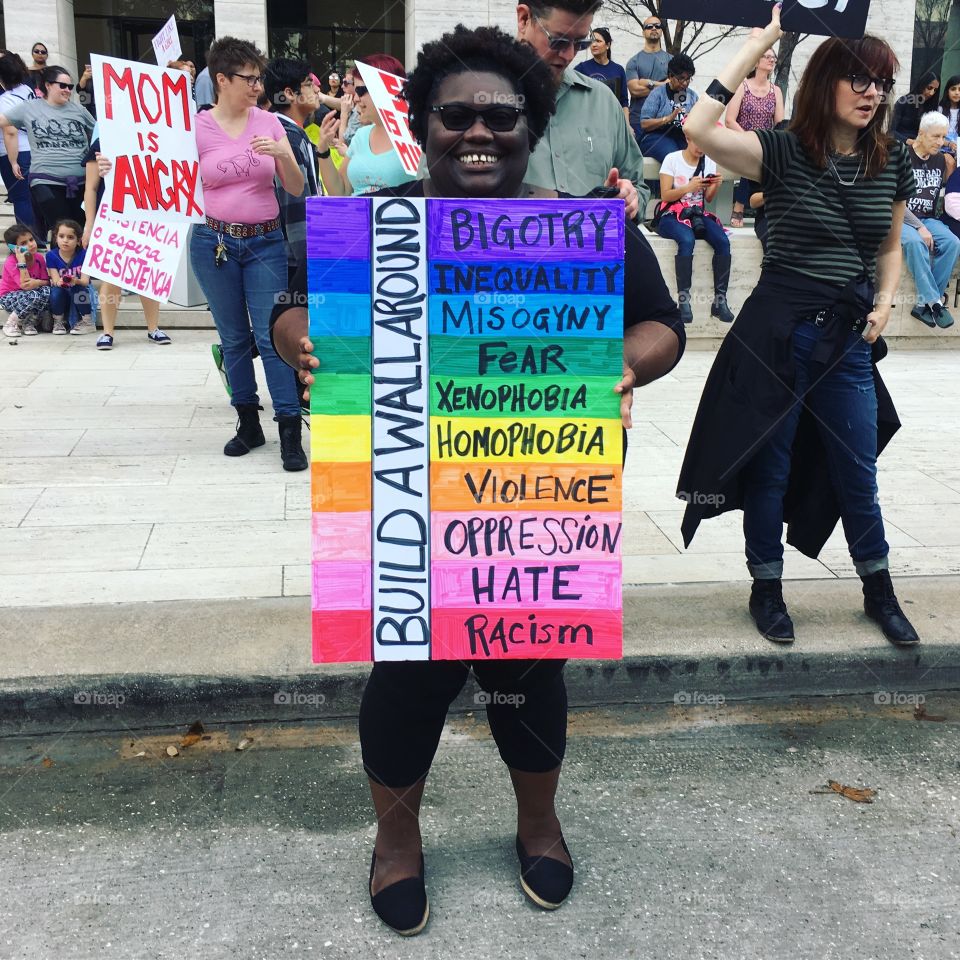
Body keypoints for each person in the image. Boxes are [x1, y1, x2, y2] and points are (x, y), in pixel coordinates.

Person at [271, 23, 684, 936]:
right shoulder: (371, 226)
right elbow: (291, 310)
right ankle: (395, 840)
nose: (478, 131)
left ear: (531, 123)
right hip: (404, 499)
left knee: (526, 669)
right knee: (409, 675)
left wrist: (620, 365)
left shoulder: (584, 231)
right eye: (455, 115)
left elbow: (664, 325)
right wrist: (305, 346)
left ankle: (538, 821)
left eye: (500, 115)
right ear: (422, 125)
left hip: (529, 498)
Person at [678, 9, 922, 647]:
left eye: (881, 84)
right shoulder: (783, 152)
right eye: (859, 80)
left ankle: (879, 588)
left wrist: (887, 299)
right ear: (825, 84)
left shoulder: (891, 159)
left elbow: (891, 246)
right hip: (776, 332)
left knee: (856, 466)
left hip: (846, 338)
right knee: (772, 467)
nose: (872, 93)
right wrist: (763, 40)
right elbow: (698, 125)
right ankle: (766, 587)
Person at [190, 36, 307, 470]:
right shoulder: (196, 127)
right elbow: (165, 179)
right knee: (234, 337)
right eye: (249, 78)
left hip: (265, 241)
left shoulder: (271, 123)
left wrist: (284, 155)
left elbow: (296, 187)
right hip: (213, 242)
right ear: (221, 79)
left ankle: (290, 431)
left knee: (271, 336)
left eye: (259, 78)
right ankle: (247, 422)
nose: (258, 86)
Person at [517, 1, 643, 218]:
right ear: (524, 19)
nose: (569, 55)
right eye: (558, 41)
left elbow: (638, 185)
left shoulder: (604, 101)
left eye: (580, 43)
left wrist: (629, 200)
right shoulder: (475, 99)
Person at [82, 137, 172, 349]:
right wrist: (89, 225)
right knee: (111, 276)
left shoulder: (160, 137)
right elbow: (90, 188)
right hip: (113, 216)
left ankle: (153, 328)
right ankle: (107, 332)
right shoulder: (105, 138)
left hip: (149, 215)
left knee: (147, 274)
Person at [0, 65, 94, 238]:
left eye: (70, 87)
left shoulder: (79, 110)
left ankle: (73, 265)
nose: (67, 90)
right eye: (63, 86)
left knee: (79, 231)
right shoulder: (29, 107)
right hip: (45, 180)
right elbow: (3, 121)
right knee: (62, 228)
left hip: (81, 181)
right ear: (48, 85)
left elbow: (98, 133)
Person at [656, 131, 734, 323]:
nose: (701, 148)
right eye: (698, 143)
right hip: (671, 214)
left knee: (723, 242)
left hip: (696, 215)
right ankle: (684, 300)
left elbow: (707, 199)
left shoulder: (708, 161)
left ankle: (720, 301)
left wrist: (716, 184)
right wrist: (688, 188)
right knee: (687, 239)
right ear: (688, 139)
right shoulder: (672, 159)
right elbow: (665, 195)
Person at [315, 53, 414, 196]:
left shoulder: (418, 135)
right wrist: (323, 150)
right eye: (355, 91)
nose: (355, 98)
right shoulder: (361, 136)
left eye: (360, 91)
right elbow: (341, 192)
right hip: (358, 217)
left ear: (385, 88)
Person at [263, 58, 321, 277]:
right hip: (294, 262)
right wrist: (308, 266)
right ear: (288, 93)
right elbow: (295, 209)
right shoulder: (288, 138)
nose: (317, 88)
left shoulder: (292, 133)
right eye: (308, 83)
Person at [900, 112, 958, 329]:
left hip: (928, 218)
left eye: (943, 137)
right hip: (900, 218)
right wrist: (920, 227)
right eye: (935, 137)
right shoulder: (902, 156)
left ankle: (923, 304)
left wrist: (926, 225)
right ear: (921, 134)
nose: (941, 142)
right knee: (916, 243)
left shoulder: (941, 160)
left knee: (953, 243)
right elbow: (894, 202)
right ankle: (935, 303)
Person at [725, 49, 784, 227]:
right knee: (751, 154)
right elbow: (729, 120)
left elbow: (779, 124)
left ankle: (758, 206)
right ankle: (740, 205)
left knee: (763, 155)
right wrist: (749, 138)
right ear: (756, 62)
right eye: (767, 57)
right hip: (741, 138)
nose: (771, 60)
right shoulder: (742, 87)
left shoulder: (776, 91)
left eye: (773, 58)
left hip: (765, 143)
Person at [0, 53, 38, 230]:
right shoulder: (27, 90)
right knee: (30, 197)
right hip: (32, 149)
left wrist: (13, 161)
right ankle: (35, 236)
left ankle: (27, 239)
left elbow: (10, 131)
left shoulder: (4, 100)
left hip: (15, 152)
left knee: (20, 198)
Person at [638, 53, 698, 163]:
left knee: (695, 155)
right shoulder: (658, 93)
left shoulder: (692, 96)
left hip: (682, 137)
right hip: (656, 136)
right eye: (681, 79)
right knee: (674, 156)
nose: (685, 83)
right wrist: (667, 119)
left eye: (688, 79)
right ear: (670, 76)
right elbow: (644, 124)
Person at [625, 15, 670, 144]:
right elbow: (635, 90)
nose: (654, 28)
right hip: (638, 120)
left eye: (657, 26)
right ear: (643, 31)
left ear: (662, 30)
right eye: (649, 26)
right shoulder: (634, 61)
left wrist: (646, 82)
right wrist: (664, 85)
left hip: (664, 120)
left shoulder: (671, 60)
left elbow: (676, 89)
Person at [1, 222, 50, 337]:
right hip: (9, 296)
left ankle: (29, 322)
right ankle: (10, 324)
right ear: (14, 248)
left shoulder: (39, 258)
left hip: (30, 294)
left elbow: (46, 281)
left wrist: (37, 282)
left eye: (31, 239)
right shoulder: (11, 261)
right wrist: (22, 262)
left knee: (47, 291)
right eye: (24, 243)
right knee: (34, 294)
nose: (31, 244)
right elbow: (24, 285)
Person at [46, 218, 94, 334]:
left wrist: (75, 281)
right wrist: (62, 282)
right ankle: (58, 322)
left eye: (70, 237)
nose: (65, 240)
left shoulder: (84, 254)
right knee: (56, 291)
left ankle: (88, 322)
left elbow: (85, 281)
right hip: (63, 290)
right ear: (56, 238)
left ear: (78, 240)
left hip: (81, 289)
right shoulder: (51, 255)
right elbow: (56, 280)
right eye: (61, 236)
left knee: (79, 289)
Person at [574, 27, 628, 123]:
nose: (594, 45)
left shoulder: (618, 70)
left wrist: (627, 126)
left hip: (613, 121)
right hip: (588, 122)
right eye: (591, 41)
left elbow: (624, 102)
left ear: (608, 45)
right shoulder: (581, 68)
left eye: (598, 41)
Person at [892, 70, 939, 142]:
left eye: (935, 90)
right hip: (900, 144)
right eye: (929, 88)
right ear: (922, 85)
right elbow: (891, 131)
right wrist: (907, 140)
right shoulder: (903, 102)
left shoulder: (932, 107)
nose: (931, 93)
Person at [937, 74, 960, 155]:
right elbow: (935, 134)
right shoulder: (940, 109)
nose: (957, 93)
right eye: (953, 89)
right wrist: (949, 144)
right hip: (942, 147)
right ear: (947, 91)